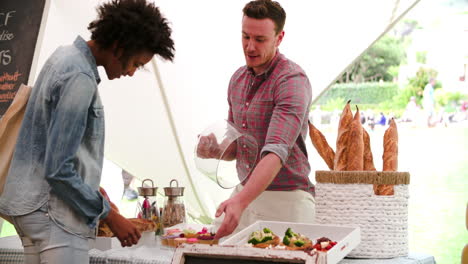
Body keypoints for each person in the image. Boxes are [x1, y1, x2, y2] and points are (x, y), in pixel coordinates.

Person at [0, 0, 174, 263]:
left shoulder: (63, 56)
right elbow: (58, 169)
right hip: (54, 217)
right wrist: (109, 215)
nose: (131, 73)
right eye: (136, 63)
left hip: (33, 209)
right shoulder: (79, 77)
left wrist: (95, 191)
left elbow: (53, 149)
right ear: (119, 46)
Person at [198, 0, 314, 240]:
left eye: (260, 40)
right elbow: (237, 147)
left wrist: (239, 201)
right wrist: (215, 150)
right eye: (245, 37)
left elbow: (276, 151)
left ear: (279, 38)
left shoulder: (292, 80)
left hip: (288, 200)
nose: (250, 46)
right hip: (244, 196)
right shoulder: (237, 79)